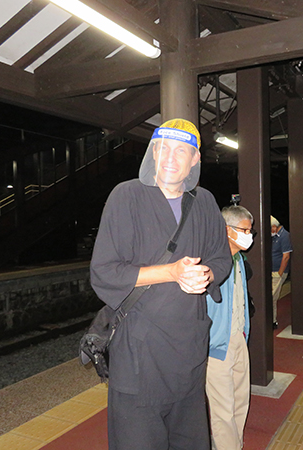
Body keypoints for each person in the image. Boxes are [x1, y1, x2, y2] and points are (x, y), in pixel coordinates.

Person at [90, 118, 232, 450]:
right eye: (163, 148)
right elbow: (104, 271)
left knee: (190, 441)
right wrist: (171, 272)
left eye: (181, 150)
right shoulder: (126, 196)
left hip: (189, 350)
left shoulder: (204, 201)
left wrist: (206, 275)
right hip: (139, 351)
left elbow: (221, 259)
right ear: (153, 152)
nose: (170, 157)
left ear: (194, 159)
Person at [206, 205, 254, 450]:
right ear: (227, 230)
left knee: (240, 399)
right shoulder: (210, 262)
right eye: (244, 230)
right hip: (216, 345)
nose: (249, 235)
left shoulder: (238, 260)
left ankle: (236, 444)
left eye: (250, 230)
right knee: (223, 408)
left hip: (238, 337)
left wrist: (243, 333)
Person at [271, 215, 292, 328]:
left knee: (271, 297)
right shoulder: (275, 236)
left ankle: (272, 321)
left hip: (277, 272)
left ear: (274, 227)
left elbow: (286, 256)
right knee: (271, 297)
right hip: (271, 271)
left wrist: (280, 273)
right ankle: (272, 320)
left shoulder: (284, 235)